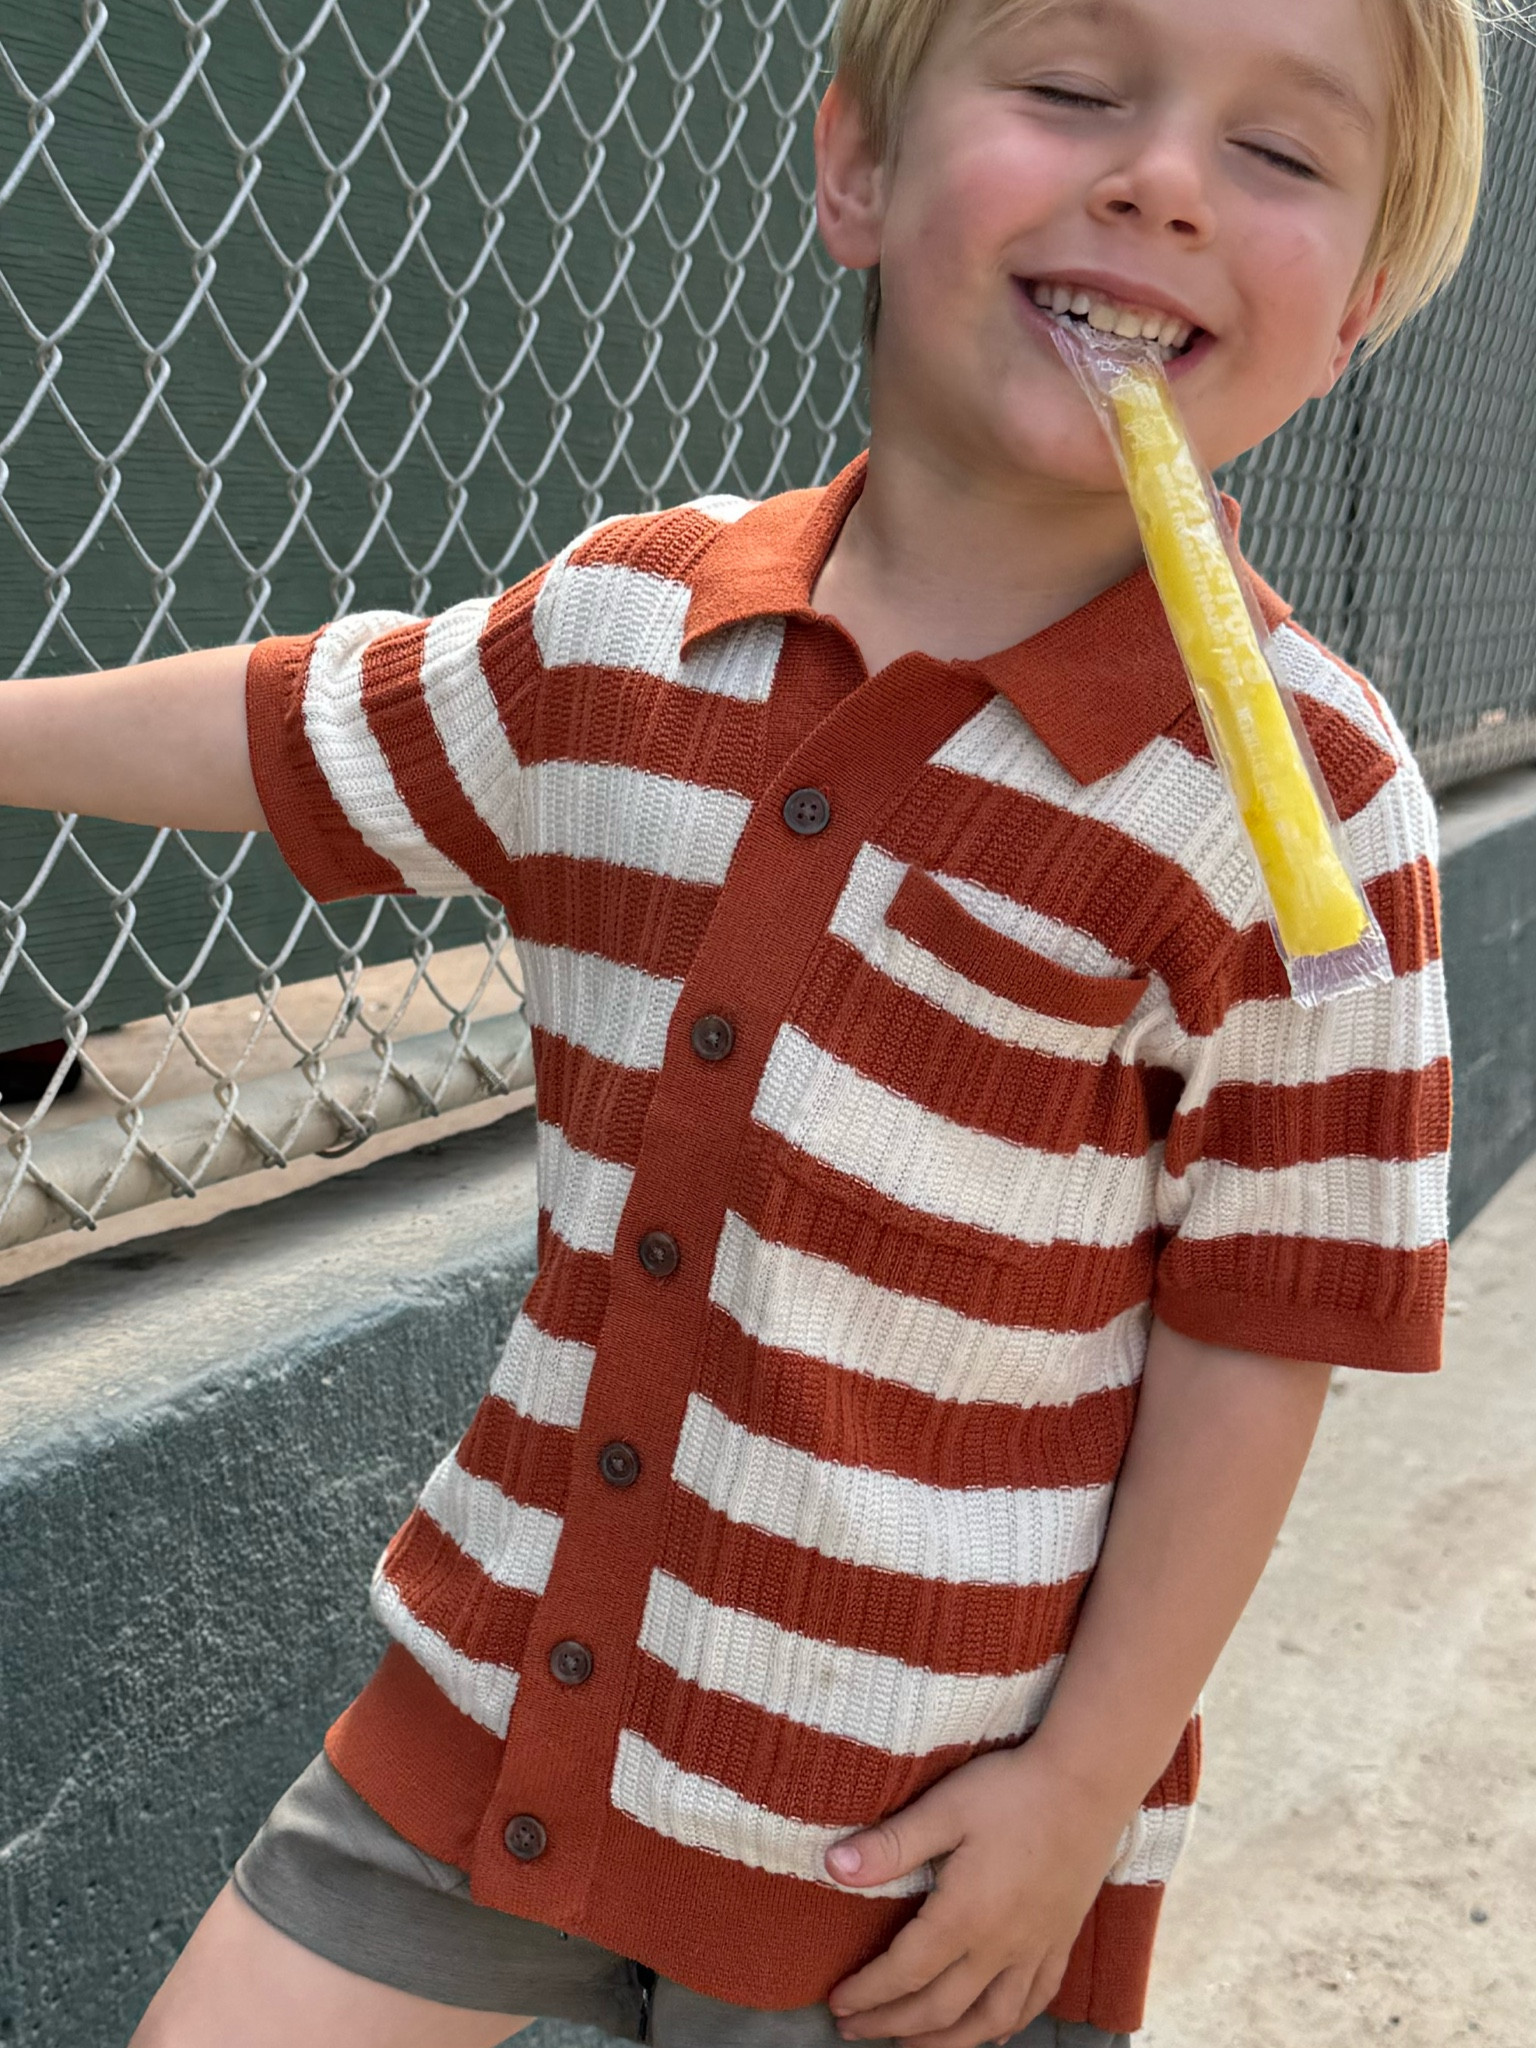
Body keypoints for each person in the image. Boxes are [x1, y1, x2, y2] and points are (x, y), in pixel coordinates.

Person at [0, 0, 1482, 2040]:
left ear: (1362, 313)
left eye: (1285, 156)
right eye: (1070, 91)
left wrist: (1081, 1786)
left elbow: (1263, 1335)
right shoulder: (629, 626)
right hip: (503, 1701)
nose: (1159, 178)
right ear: (858, 172)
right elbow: (297, 727)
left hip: (913, 1835)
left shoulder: (1311, 799)